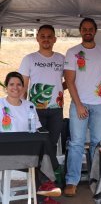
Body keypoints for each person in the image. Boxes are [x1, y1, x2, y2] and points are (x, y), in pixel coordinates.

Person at [63, 17, 101, 197]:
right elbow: (69, 81)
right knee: (76, 143)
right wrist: (78, 105)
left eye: (90, 29)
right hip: (79, 104)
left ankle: (96, 179)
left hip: (99, 105)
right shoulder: (72, 52)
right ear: (80, 30)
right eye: (84, 28)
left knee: (97, 143)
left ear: (95, 31)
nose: (87, 31)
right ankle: (71, 181)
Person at [0, 71, 61, 204]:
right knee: (40, 155)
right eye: (11, 84)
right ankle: (47, 189)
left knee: (43, 140)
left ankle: (44, 191)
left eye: (19, 84)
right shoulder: (0, 105)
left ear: (23, 87)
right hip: (5, 153)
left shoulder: (29, 105)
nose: (15, 87)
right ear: (6, 87)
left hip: (27, 151)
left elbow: (36, 129)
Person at [19, 24, 65, 155]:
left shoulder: (61, 59)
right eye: (43, 36)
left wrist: (60, 88)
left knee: (52, 143)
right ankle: (38, 175)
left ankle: (49, 174)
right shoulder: (29, 59)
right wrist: (23, 109)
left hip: (57, 109)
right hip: (35, 109)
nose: (46, 39)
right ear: (37, 38)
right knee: (37, 143)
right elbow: (24, 86)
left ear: (55, 39)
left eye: (49, 37)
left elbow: (70, 80)